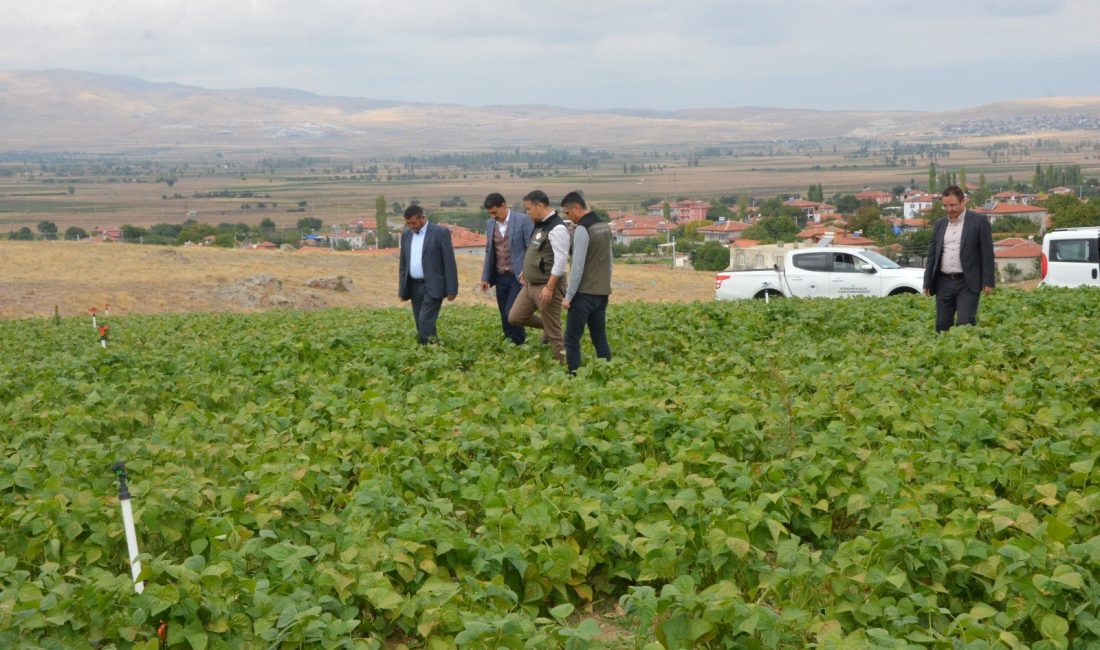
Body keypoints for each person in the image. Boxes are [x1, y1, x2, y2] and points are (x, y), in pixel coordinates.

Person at [923, 185, 995, 332]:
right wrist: (927, 281)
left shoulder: (979, 221)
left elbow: (987, 253)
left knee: (965, 323)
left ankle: (967, 352)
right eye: (946, 206)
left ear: (963, 202)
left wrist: (988, 281)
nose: (950, 209)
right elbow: (932, 254)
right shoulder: (939, 224)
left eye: (953, 205)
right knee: (942, 326)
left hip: (967, 282)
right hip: (943, 281)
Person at [508, 189, 569, 363]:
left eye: (529, 209)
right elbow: (536, 251)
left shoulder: (557, 228)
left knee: (555, 335)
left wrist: (550, 287)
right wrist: (525, 272)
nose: (527, 213)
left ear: (540, 205)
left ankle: (568, 369)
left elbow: (560, 262)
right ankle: (549, 326)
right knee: (515, 317)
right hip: (530, 284)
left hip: (546, 286)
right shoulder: (540, 224)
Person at [561, 191, 612, 373]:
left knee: (571, 339)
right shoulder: (604, 225)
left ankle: (574, 377)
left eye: (567, 213)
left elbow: (577, 266)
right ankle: (607, 374)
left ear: (576, 207)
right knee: (599, 337)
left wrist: (568, 296)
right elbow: (609, 260)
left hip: (583, 294)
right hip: (602, 292)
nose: (568, 218)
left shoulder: (583, 229)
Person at [398, 205, 458, 344]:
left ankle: (432, 351)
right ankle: (429, 352)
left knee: (425, 320)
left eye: (413, 222)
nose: (411, 226)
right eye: (408, 223)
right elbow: (403, 264)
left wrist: (452, 289)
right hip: (413, 286)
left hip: (433, 285)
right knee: (420, 322)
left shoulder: (440, 233)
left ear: (422, 217)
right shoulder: (406, 235)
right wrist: (402, 289)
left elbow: (449, 262)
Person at [479, 193, 533, 345]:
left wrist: (528, 270)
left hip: (519, 275)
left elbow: (531, 248)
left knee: (512, 311)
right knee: (504, 312)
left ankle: (520, 341)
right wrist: (485, 277)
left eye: (495, 212)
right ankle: (510, 341)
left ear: (504, 205)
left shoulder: (523, 220)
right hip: (500, 275)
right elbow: (490, 251)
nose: (493, 216)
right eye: (490, 213)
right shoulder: (490, 224)